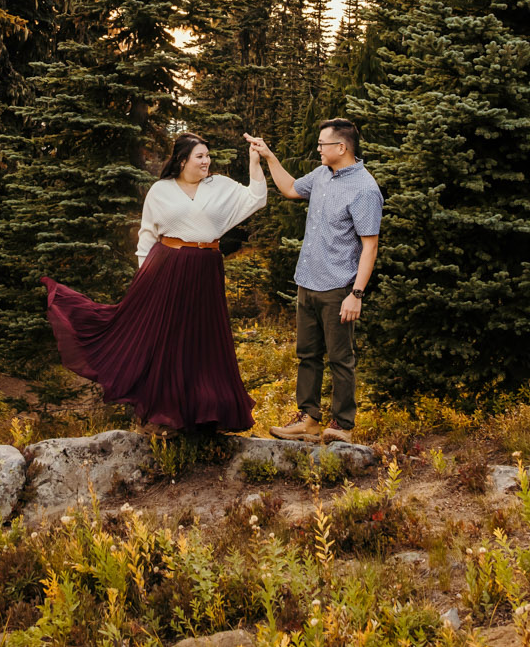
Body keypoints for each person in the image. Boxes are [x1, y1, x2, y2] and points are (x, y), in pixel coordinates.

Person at [43, 133, 270, 434]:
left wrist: (256, 162)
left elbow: (257, 198)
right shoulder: (161, 190)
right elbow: (147, 236)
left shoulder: (220, 187)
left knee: (204, 340)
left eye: (207, 156)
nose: (207, 161)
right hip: (167, 268)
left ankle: (204, 415)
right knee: (168, 341)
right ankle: (165, 415)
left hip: (206, 269)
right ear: (182, 160)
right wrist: (144, 281)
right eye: (200, 156)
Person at [247, 119, 381, 443]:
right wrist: (268, 157)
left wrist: (356, 294)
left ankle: (342, 426)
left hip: (338, 289)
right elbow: (291, 188)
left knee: (340, 359)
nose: (318, 148)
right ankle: (308, 419)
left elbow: (370, 245)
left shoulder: (365, 189)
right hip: (307, 282)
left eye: (322, 144)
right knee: (307, 355)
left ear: (341, 148)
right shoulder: (322, 175)